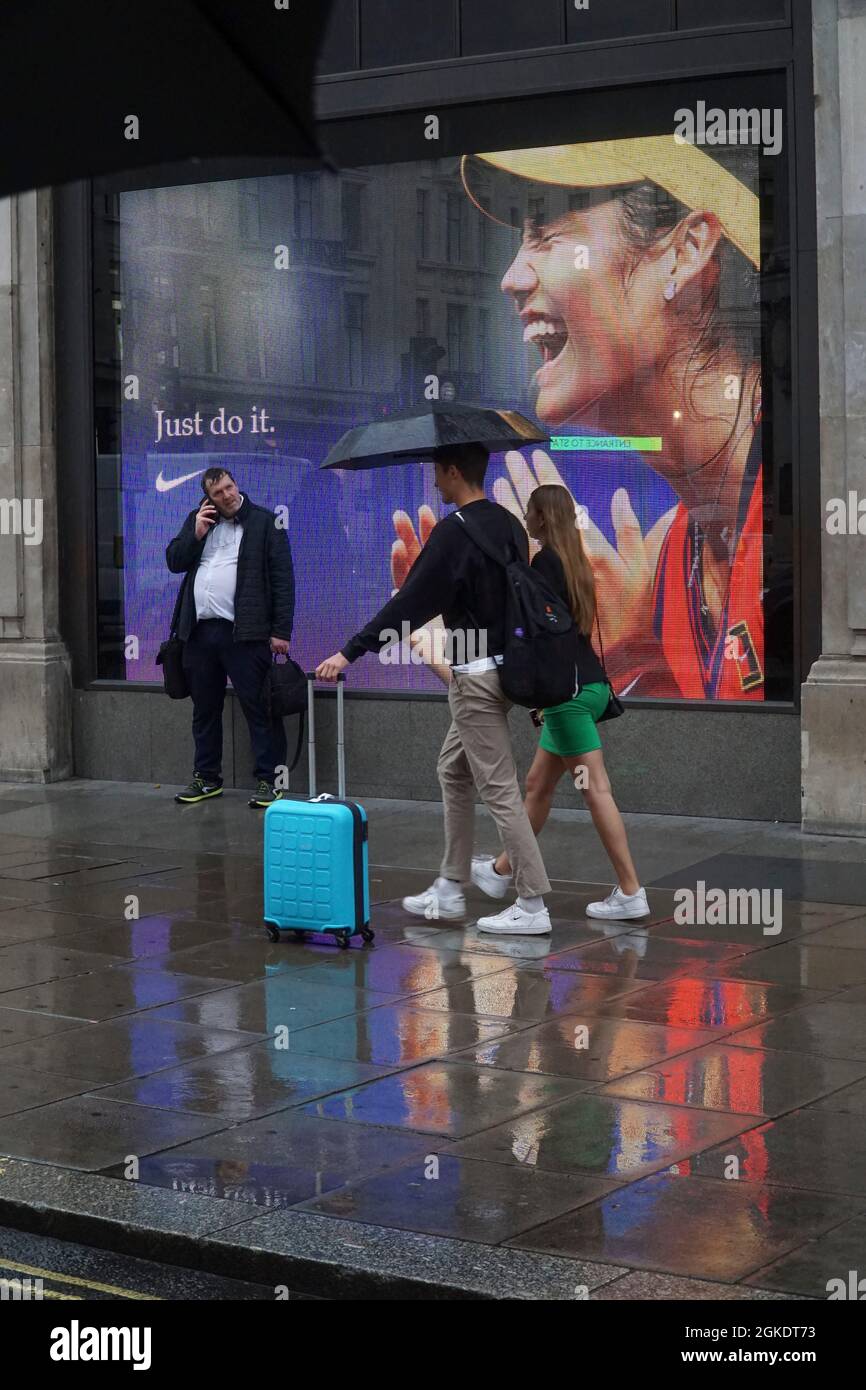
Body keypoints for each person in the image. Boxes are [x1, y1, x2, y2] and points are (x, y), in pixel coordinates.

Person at [399, 137, 765, 701]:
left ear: (686, 250)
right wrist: (621, 650)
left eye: (547, 234)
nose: (512, 278)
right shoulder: (672, 556)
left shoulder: (795, 507)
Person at [315, 442, 554, 936]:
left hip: (476, 679)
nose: (435, 482)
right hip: (509, 671)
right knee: (453, 768)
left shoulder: (452, 533)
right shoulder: (509, 524)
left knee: (501, 790)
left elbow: (407, 606)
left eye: (437, 474)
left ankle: (532, 903)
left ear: (452, 472)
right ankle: (449, 886)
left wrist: (349, 652)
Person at [410, 485, 649, 921]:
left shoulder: (544, 563)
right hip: (588, 689)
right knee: (538, 785)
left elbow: (534, 632)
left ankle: (631, 890)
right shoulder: (579, 564)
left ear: (542, 517)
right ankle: (501, 870)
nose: (525, 518)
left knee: (595, 790)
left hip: (568, 701)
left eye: (530, 511)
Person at [166, 466, 294, 807]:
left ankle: (271, 781)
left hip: (246, 634)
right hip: (200, 632)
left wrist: (281, 631)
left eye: (230, 486)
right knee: (204, 709)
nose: (228, 495)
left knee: (260, 708)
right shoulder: (198, 521)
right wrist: (195, 533)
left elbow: (283, 579)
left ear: (237, 484)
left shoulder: (265, 522)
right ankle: (207, 778)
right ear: (209, 499)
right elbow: (174, 561)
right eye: (219, 492)